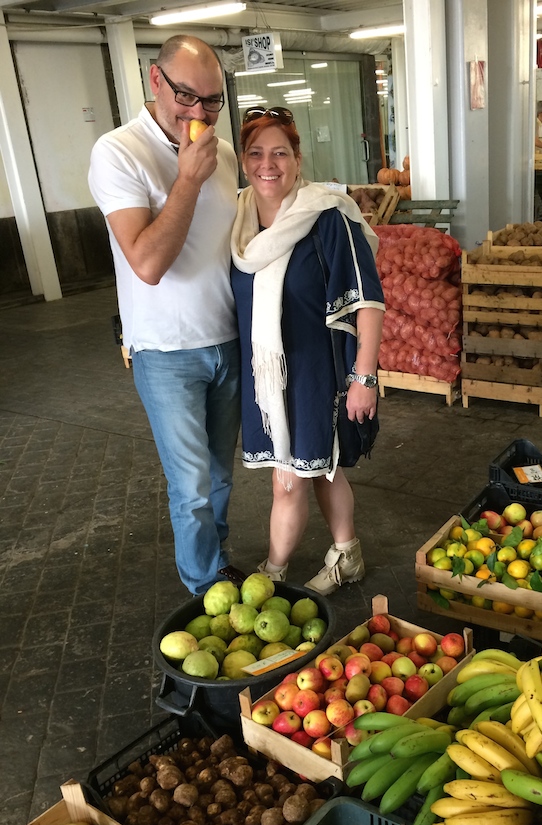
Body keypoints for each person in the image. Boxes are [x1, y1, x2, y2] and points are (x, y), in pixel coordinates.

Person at [88, 35, 241, 597]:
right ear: (155, 81)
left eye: (213, 100)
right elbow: (148, 263)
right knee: (193, 487)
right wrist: (187, 181)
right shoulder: (118, 152)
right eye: (186, 96)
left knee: (222, 477)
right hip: (166, 350)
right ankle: (205, 590)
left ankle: (219, 565)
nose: (199, 113)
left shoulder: (223, 153)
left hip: (229, 341)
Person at [229, 107, 385, 597]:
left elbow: (368, 300)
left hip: (321, 372)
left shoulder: (326, 217)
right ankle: (346, 552)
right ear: (242, 160)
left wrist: (365, 378)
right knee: (311, 469)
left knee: (303, 473)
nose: (267, 163)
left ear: (298, 160)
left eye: (280, 152)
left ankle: (276, 571)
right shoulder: (238, 221)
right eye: (255, 153)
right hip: (269, 375)